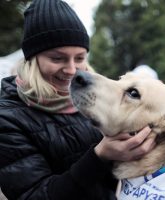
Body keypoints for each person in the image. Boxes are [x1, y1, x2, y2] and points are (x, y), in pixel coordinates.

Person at [0, 0, 156, 199]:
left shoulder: (92, 101)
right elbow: (33, 195)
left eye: (80, 58)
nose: (72, 70)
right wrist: (100, 156)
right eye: (57, 58)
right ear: (33, 59)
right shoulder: (7, 118)